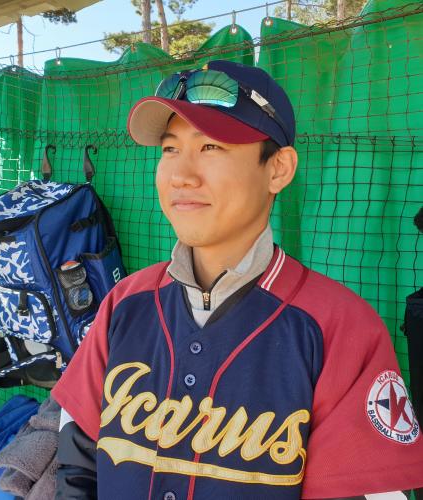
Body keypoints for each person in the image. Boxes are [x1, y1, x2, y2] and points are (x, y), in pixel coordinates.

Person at [52, 60, 423, 499]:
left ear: (278, 169)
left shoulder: (341, 327)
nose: (181, 175)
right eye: (170, 149)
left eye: (211, 147)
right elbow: (78, 460)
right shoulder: (125, 302)